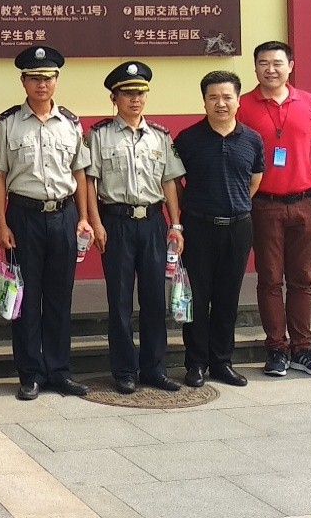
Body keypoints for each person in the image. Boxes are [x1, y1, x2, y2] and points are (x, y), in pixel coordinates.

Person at [0, 45, 95, 401]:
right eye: (34, 78)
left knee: (60, 298)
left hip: (64, 216)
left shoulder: (71, 123)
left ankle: (59, 371)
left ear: (56, 81)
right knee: (26, 299)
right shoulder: (7, 123)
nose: (41, 84)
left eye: (47, 78)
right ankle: (31, 373)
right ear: (23, 82)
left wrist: (83, 218)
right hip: (24, 217)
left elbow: (80, 172)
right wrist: (2, 224)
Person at [236, 41, 311, 378]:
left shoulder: (308, 102)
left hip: (306, 202)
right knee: (269, 279)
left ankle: (302, 349)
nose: (271, 69)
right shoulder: (243, 105)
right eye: (263, 63)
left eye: (278, 63)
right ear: (255, 68)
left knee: (301, 279)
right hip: (263, 204)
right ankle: (276, 349)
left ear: (290, 66)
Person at [86, 60, 185, 395]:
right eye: (128, 93)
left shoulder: (160, 136)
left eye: (140, 93)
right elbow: (90, 181)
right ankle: (125, 370)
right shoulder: (99, 135)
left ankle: (154, 368)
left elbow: (169, 181)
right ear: (114, 98)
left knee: (155, 298)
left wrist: (176, 224)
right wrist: (96, 222)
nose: (135, 99)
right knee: (120, 300)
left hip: (154, 222)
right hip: (116, 222)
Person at [173, 70, 264, 388]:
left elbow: (254, 181)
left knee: (228, 298)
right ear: (204, 101)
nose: (220, 103)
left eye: (227, 97)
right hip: (198, 227)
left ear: (238, 100)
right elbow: (174, 183)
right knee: (196, 298)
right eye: (213, 97)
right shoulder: (187, 139)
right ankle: (196, 363)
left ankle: (222, 362)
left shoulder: (252, 139)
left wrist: (233, 204)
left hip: (238, 228)